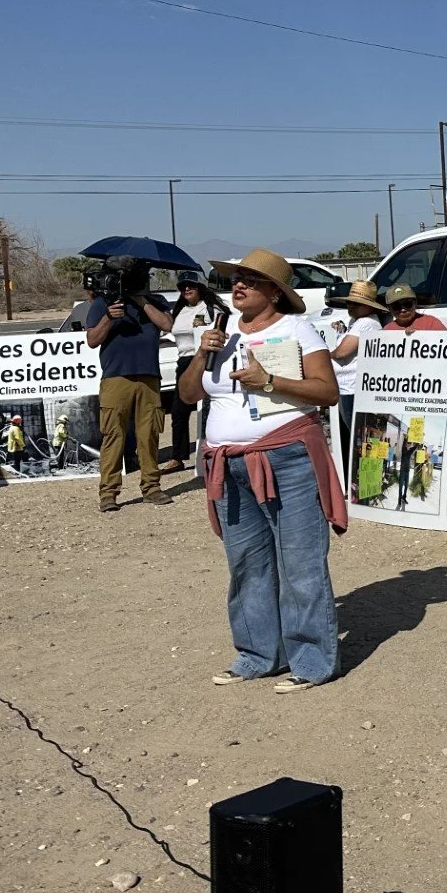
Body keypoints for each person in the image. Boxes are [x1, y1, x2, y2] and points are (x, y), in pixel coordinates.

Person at [178, 249, 344, 694]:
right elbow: (189, 394)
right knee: (247, 563)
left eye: (251, 280)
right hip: (227, 463)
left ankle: (310, 662)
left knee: (300, 564)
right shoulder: (221, 331)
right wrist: (200, 356)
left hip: (287, 457)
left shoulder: (297, 329)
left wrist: (269, 382)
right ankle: (257, 655)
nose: (239, 286)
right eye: (236, 279)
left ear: (275, 292)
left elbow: (327, 392)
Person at [83, 256, 174, 512]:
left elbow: (167, 325)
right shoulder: (104, 303)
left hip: (149, 377)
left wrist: (142, 301)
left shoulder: (155, 302)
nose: (142, 281)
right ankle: (109, 493)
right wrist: (109, 318)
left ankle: (152, 487)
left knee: (149, 435)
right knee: (114, 435)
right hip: (116, 377)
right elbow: (92, 340)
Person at [161, 273, 227, 474]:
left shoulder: (210, 308)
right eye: (183, 287)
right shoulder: (179, 310)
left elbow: (222, 327)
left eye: (191, 286)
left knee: (207, 407)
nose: (187, 290)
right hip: (183, 361)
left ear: (200, 288)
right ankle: (177, 457)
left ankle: (212, 451)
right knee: (179, 410)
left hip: (204, 359)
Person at [323, 280, 389, 480]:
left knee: (358, 436)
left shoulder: (366, 323)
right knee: (357, 436)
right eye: (349, 303)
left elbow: (343, 352)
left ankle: (368, 478)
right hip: (348, 386)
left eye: (355, 304)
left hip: (352, 387)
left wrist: (325, 355)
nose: (350, 307)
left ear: (367, 306)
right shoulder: (359, 322)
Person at [382, 283, 446, 332]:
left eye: (407, 304)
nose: (403, 310)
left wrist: (418, 336)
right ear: (389, 308)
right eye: (396, 306)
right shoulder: (387, 330)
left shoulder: (431, 323)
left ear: (415, 303)